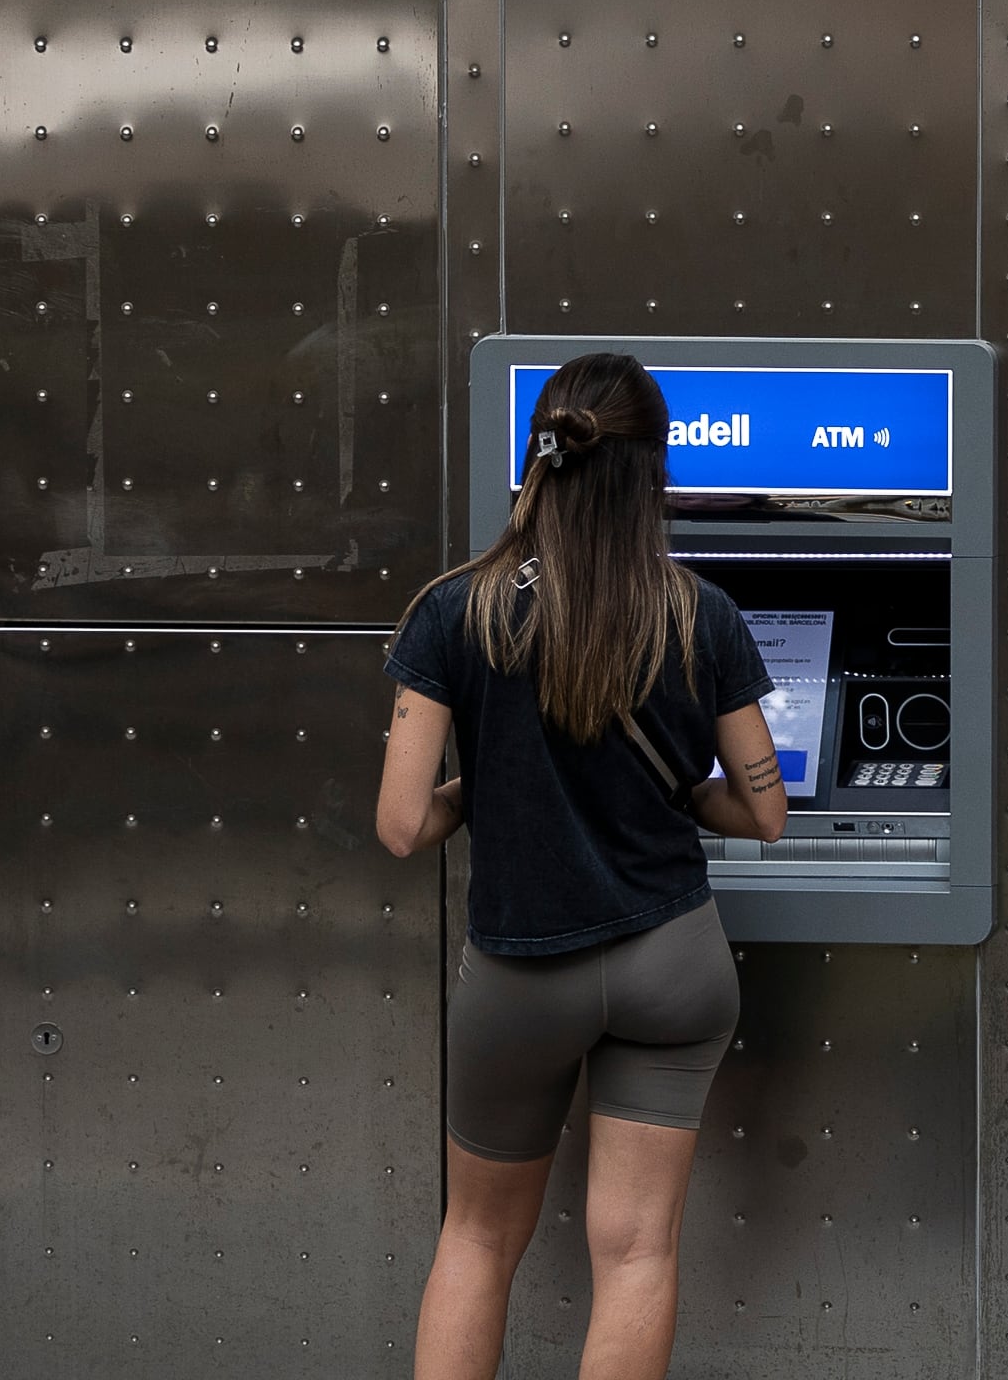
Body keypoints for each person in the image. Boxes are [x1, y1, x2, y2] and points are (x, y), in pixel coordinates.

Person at [376, 352, 792, 1380]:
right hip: (672, 962)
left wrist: (489, 788)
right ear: (656, 475)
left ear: (538, 460)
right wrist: (692, 795)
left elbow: (398, 824)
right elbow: (766, 812)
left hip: (521, 975)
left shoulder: (452, 612)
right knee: (639, 1250)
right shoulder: (702, 613)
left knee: (476, 1241)